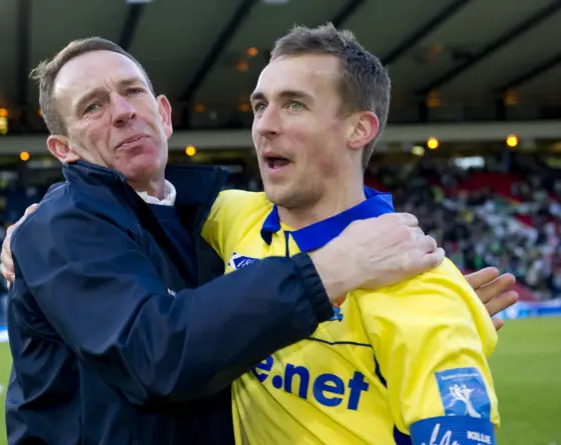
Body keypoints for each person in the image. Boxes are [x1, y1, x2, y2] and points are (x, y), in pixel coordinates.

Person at [0, 38, 517, 445]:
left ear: (164, 112)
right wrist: (38, 221)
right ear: (63, 149)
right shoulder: (65, 229)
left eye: (293, 105)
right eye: (92, 106)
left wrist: (444, 309)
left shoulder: (212, 213)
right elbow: (158, 351)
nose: (265, 125)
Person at [199, 24, 506, 444]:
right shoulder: (234, 216)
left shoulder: (420, 284)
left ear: (359, 129)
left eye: (293, 105)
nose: (264, 125)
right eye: (259, 105)